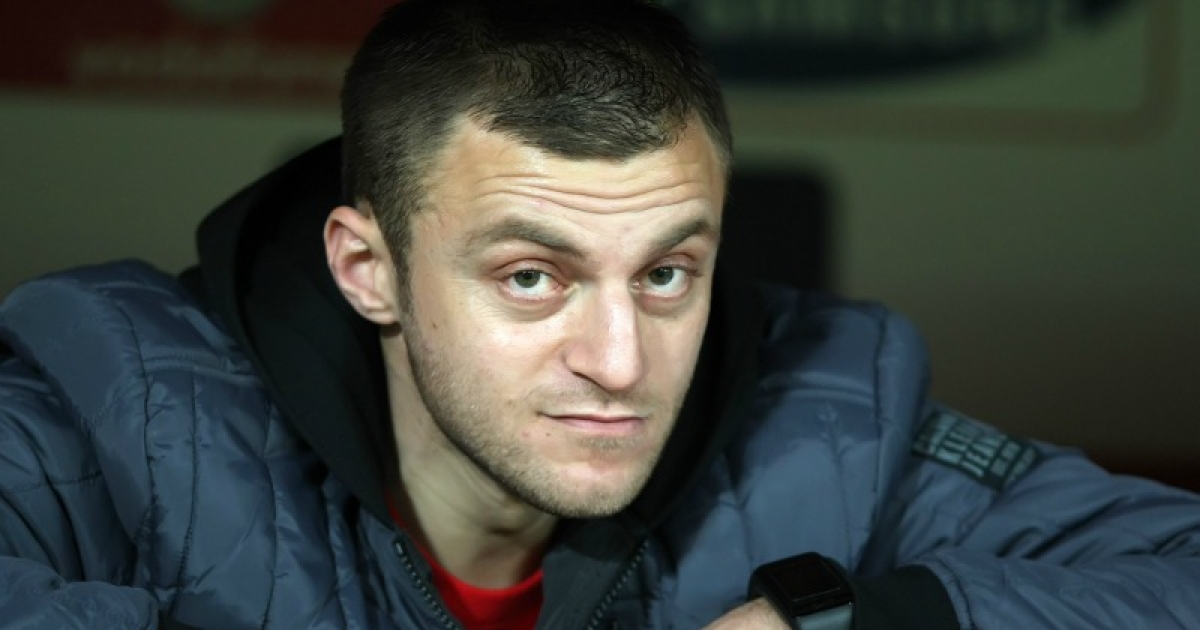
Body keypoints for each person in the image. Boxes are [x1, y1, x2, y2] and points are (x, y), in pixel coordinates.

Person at [1, 0, 1198, 628]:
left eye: (666, 274)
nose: (622, 363)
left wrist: (859, 625)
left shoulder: (833, 426)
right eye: (533, 277)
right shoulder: (110, 413)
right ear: (369, 269)